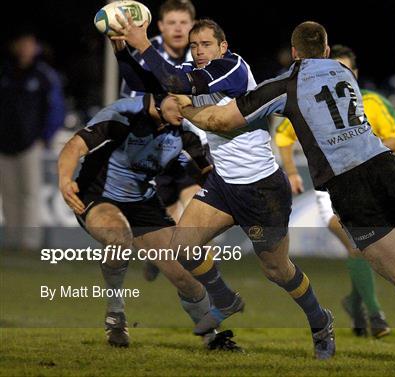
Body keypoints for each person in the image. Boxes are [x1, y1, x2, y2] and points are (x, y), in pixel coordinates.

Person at [171, 21, 395, 369]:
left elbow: (222, 120)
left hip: (349, 186)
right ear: (327, 51)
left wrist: (184, 106)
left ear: (294, 53)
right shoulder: (345, 74)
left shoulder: (285, 84)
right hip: (388, 169)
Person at [110, 17, 335, 359]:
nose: (199, 51)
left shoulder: (232, 68)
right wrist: (123, 51)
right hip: (223, 184)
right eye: (195, 45)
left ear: (223, 47)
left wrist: (144, 44)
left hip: (261, 188)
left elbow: (172, 80)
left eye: (206, 45)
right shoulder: (193, 70)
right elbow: (148, 83)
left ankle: (320, 322)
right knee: (183, 247)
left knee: (277, 270)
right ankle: (225, 298)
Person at [57, 93, 238, 350]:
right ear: (160, 97)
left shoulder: (186, 134)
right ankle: (116, 313)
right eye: (180, 102)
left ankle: (213, 337)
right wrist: (65, 180)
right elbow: (75, 145)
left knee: (185, 275)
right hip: (97, 196)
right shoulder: (124, 115)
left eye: (190, 104)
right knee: (119, 237)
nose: (185, 109)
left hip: (143, 203)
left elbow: (207, 174)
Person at [274, 44, 395, 338]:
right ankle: (376, 315)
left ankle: (355, 302)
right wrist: (293, 171)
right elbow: (283, 136)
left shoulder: (372, 102)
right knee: (355, 242)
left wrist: (371, 150)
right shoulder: (310, 99)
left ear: (355, 73)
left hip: (368, 185)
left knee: (366, 247)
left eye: (343, 68)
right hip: (330, 187)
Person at [119, 0, 203, 282]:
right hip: (155, 151)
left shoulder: (201, 53)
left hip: (192, 148)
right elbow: (131, 104)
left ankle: (208, 289)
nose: (178, 29)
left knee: (195, 215)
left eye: (184, 23)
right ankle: (161, 257)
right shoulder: (145, 56)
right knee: (168, 223)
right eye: (172, 23)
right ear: (160, 26)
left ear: (192, 25)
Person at [0, 31, 65, 251]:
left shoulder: (43, 75)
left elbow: (56, 109)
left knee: (30, 193)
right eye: (21, 43)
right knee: (8, 194)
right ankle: (11, 240)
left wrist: (44, 138)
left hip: (30, 144)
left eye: (29, 43)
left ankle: (29, 242)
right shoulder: (5, 72)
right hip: (4, 144)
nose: (25, 48)